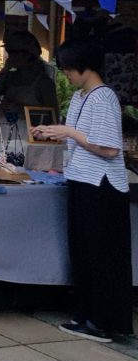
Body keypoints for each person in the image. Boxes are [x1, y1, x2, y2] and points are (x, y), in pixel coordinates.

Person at [31, 37, 132, 343]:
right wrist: (53, 132)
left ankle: (102, 320)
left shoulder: (104, 98)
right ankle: (86, 313)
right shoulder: (80, 97)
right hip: (81, 180)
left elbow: (108, 148)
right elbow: (82, 138)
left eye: (68, 69)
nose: (66, 75)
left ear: (84, 67)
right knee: (83, 251)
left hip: (101, 185)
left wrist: (67, 131)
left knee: (101, 254)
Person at [0, 30, 58, 126]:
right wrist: (4, 71)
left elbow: (53, 116)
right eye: (9, 53)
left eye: (14, 53)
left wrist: (20, 109)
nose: (10, 57)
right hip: (4, 130)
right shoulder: (9, 77)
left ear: (27, 55)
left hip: (30, 134)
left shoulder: (44, 83)